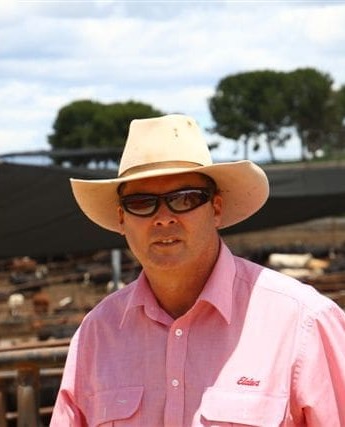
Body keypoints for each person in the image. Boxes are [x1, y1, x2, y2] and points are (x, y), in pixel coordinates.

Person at [50, 114, 345, 426]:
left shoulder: (304, 323)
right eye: (141, 202)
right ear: (122, 219)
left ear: (215, 208)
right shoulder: (97, 335)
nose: (163, 218)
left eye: (185, 199)